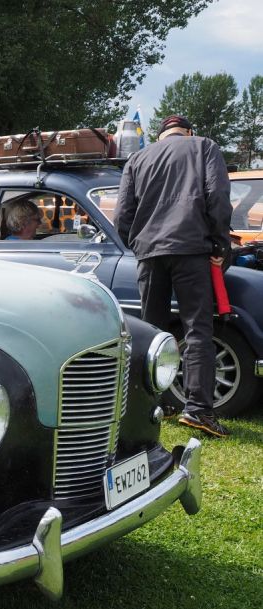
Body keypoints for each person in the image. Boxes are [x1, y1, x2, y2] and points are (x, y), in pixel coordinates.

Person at [114, 113, 233, 438]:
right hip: (191, 249)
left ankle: (151, 404)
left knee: (150, 332)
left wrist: (137, 244)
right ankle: (198, 410)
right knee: (197, 329)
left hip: (149, 253)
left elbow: (122, 214)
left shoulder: (137, 159)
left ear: (160, 135)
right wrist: (220, 242)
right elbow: (218, 197)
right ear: (188, 132)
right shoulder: (205, 147)